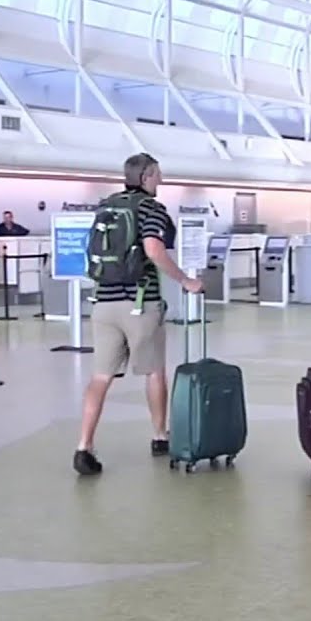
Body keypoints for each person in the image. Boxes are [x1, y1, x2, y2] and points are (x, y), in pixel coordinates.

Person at [73, 153, 203, 476]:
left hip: (102, 302)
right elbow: (154, 250)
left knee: (100, 377)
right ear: (146, 176)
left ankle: (84, 446)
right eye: (158, 174)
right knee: (154, 370)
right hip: (140, 303)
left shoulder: (107, 205)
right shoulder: (151, 209)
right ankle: (160, 436)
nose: (161, 180)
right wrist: (186, 280)